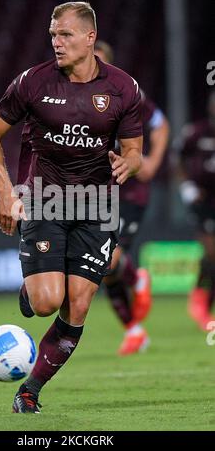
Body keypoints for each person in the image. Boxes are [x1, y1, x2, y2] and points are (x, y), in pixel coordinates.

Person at [0, 2, 143, 413]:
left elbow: (135, 149)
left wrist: (131, 161)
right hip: (44, 200)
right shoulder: (33, 82)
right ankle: (32, 292)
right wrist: (4, 192)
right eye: (53, 34)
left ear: (90, 39)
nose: (56, 41)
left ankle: (29, 391)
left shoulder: (123, 88)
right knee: (47, 303)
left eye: (65, 34)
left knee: (79, 304)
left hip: (98, 206)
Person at [94, 40, 169, 355]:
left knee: (109, 258)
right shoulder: (69, 97)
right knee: (104, 270)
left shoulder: (126, 93)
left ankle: (138, 278)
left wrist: (151, 162)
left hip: (129, 191)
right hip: (95, 192)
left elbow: (160, 124)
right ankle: (135, 331)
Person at [179, 90, 215, 331]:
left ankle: (203, 303)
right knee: (213, 252)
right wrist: (186, 186)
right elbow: (178, 157)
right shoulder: (197, 132)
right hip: (205, 201)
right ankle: (200, 302)